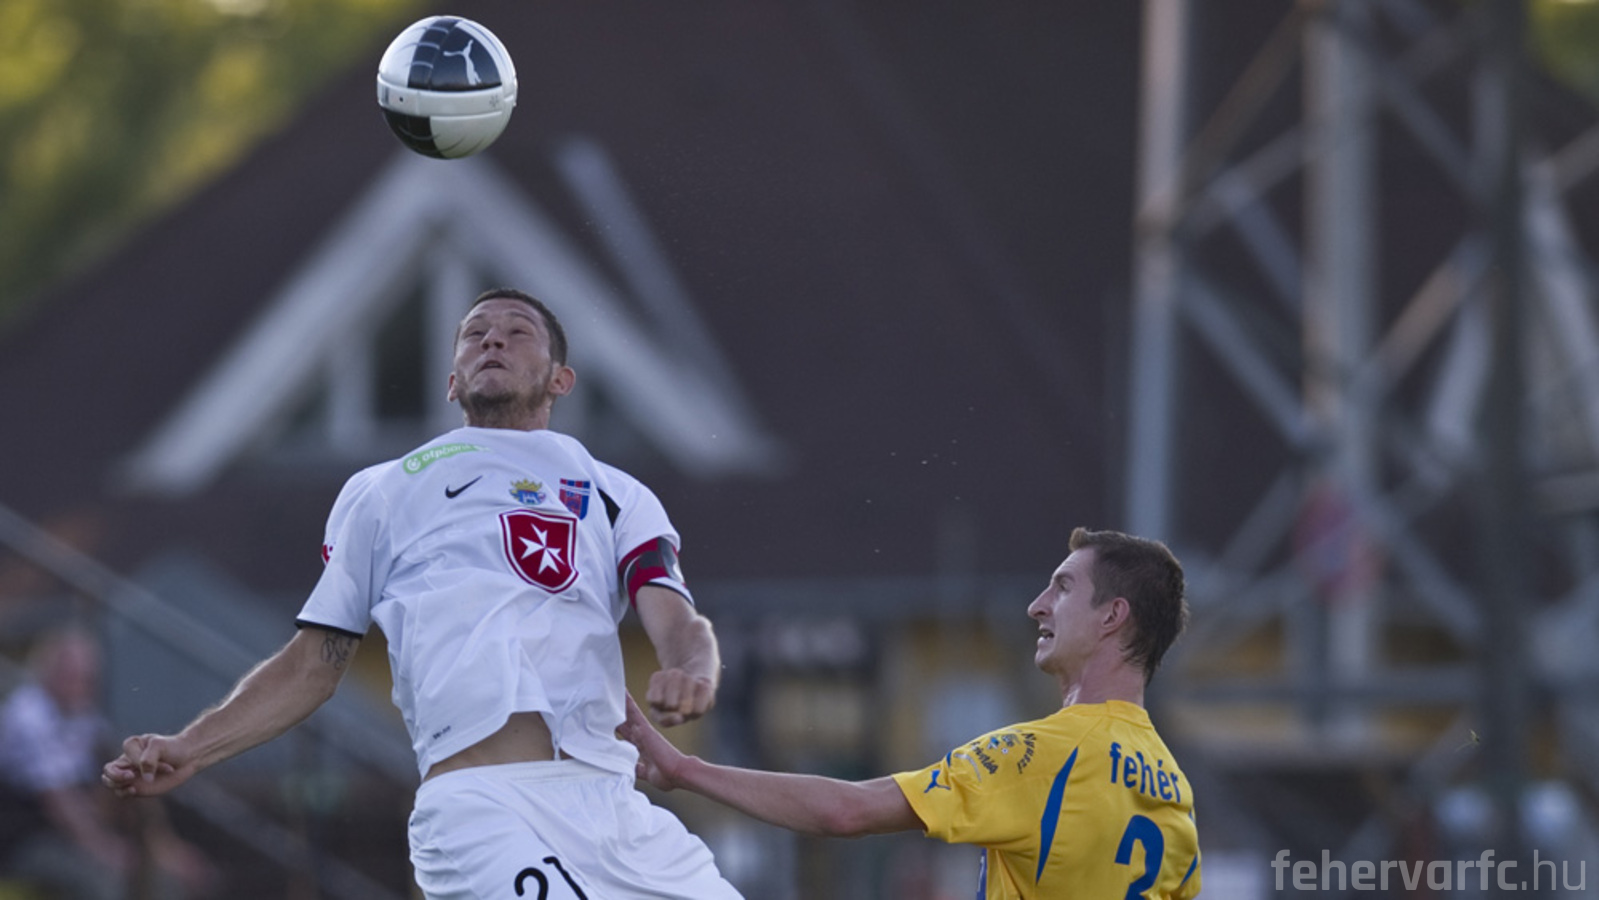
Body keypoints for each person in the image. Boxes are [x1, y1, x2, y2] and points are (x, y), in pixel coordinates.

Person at [103, 288, 742, 899]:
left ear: (561, 379)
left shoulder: (616, 494)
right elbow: (313, 663)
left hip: (613, 807)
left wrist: (692, 670)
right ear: (452, 381)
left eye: (518, 331)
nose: (493, 340)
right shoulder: (382, 491)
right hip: (483, 809)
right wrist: (191, 747)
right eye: (475, 334)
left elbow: (678, 620)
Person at [621, 527, 1202, 899]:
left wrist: (685, 770)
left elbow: (849, 810)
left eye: (1064, 588)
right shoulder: (1172, 785)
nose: (1036, 606)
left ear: (1112, 616)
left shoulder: (1042, 754)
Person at [0, 627, 214, 900]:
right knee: (108, 884)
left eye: (86, 678)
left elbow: (125, 784)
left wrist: (167, 851)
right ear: (47, 671)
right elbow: (58, 803)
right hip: (25, 840)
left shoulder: (85, 717)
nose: (78, 686)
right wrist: (108, 850)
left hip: (71, 834)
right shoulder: (28, 716)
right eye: (69, 676)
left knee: (166, 879)